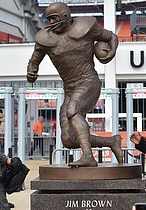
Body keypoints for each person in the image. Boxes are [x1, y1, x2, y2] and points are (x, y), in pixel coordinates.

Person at [26, 2, 123, 167]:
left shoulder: (86, 27)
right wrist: (31, 71)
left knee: (73, 111)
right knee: (68, 139)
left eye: (54, 18)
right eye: (49, 19)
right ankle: (112, 142)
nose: (51, 23)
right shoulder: (45, 39)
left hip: (88, 81)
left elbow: (111, 36)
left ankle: (88, 157)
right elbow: (34, 60)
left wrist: (111, 52)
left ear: (65, 16)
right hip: (69, 89)